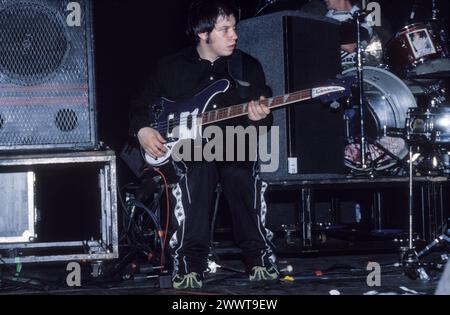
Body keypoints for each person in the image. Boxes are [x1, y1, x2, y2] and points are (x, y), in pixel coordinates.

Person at [129, 0, 278, 289]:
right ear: (202, 33)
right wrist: (143, 130)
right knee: (199, 168)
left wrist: (259, 117)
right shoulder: (170, 67)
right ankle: (188, 264)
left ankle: (259, 259)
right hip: (189, 148)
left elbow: (263, 123)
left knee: (238, 172)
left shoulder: (247, 67)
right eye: (225, 29)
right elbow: (140, 104)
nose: (234, 35)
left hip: (234, 143)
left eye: (234, 28)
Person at [323, 0, 374, 71]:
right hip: (333, 73)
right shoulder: (324, 20)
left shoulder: (365, 17)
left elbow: (350, 47)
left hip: (359, 71)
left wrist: (324, 37)